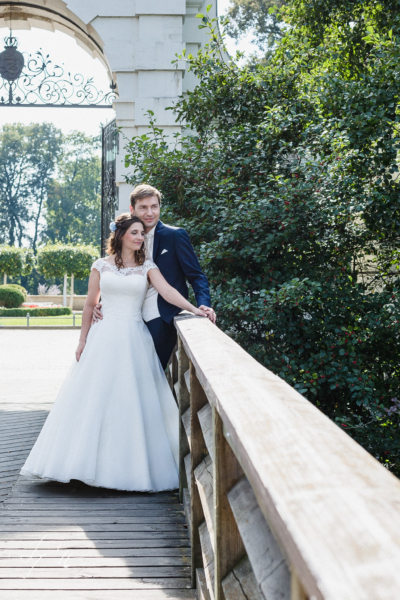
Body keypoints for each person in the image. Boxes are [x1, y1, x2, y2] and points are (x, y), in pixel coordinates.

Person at [20, 214, 208, 492]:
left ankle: (128, 469)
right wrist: (82, 340)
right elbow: (89, 305)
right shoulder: (100, 266)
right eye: (134, 232)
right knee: (95, 398)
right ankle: (80, 465)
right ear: (120, 235)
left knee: (130, 400)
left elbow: (167, 291)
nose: (139, 237)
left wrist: (195, 309)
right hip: (103, 338)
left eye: (142, 234)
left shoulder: (147, 266)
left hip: (134, 338)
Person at [93, 184, 216, 369]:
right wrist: (102, 302)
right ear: (132, 210)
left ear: (159, 207)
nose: (150, 212)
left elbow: (196, 276)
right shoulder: (129, 238)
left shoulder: (175, 236)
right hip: (125, 322)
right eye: (143, 207)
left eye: (154, 206)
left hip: (160, 320)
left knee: (149, 374)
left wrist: (203, 304)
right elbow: (117, 274)